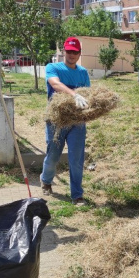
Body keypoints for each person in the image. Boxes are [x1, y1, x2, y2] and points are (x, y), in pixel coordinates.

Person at [40, 37, 90, 206]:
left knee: (77, 159)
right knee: (53, 155)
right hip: (57, 120)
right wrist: (74, 94)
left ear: (79, 54)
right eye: (69, 51)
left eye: (75, 52)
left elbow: (88, 94)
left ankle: (77, 194)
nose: (71, 55)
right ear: (64, 51)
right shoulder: (53, 67)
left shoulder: (83, 72)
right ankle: (46, 180)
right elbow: (55, 84)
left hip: (77, 122)